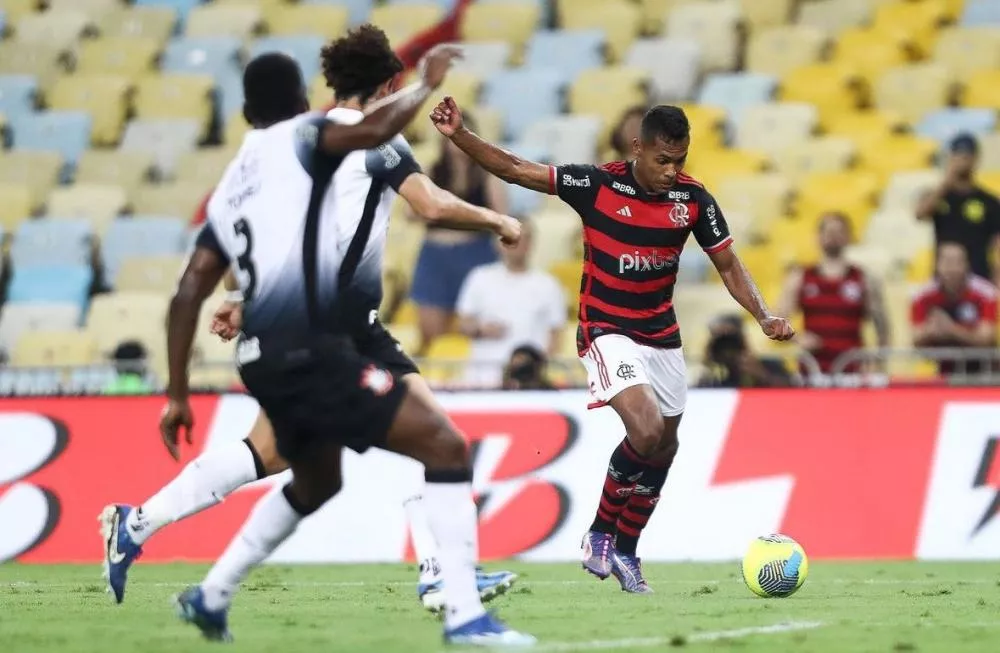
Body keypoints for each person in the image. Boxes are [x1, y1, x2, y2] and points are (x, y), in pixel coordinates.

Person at [99, 39, 524, 628]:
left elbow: (247, 250)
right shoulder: (352, 135)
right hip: (330, 328)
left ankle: (145, 529)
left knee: (294, 458)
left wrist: (245, 299)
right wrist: (497, 216)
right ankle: (450, 593)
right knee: (431, 442)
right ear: (384, 86)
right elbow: (427, 204)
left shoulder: (260, 163)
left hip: (303, 325)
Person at [430, 99, 794, 593]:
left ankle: (626, 549)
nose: (671, 171)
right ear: (638, 147)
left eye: (679, 161)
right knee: (644, 429)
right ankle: (600, 533)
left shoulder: (694, 201)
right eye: (662, 160)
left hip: (661, 335)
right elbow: (516, 169)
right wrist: (460, 135)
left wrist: (764, 314)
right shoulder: (596, 184)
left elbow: (728, 266)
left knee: (664, 447)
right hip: (607, 329)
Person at [410, 112, 508, 355]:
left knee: (480, 325)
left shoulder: (486, 176)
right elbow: (411, 214)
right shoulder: (433, 171)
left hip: (475, 252)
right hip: (435, 254)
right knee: (431, 332)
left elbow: (502, 219)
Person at [455, 219, 566, 386]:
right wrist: (480, 329)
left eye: (525, 238)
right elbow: (462, 324)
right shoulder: (479, 278)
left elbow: (555, 337)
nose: (519, 244)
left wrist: (533, 368)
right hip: (482, 380)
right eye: (512, 237)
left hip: (529, 384)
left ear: (532, 243)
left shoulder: (548, 285)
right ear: (498, 243)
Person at [777, 212, 890, 374]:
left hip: (853, 368)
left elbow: (881, 323)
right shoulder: (801, 277)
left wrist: (879, 361)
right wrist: (798, 338)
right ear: (818, 237)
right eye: (829, 232)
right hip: (813, 369)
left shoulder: (863, 278)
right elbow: (778, 320)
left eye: (839, 232)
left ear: (848, 237)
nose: (833, 237)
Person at [916, 133, 1000, 287]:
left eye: (967, 156)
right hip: (943, 280)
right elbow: (920, 214)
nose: (962, 161)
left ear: (976, 159)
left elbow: (997, 243)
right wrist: (947, 180)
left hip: (979, 278)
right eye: (957, 155)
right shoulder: (938, 196)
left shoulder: (990, 201)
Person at [911, 241, 998, 375]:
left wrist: (950, 328)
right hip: (939, 371)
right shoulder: (922, 296)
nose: (952, 268)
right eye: (946, 262)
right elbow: (916, 338)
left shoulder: (986, 294)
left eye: (957, 262)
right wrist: (930, 330)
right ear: (936, 265)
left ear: (967, 264)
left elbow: (985, 338)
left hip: (982, 372)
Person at [696, 316, 792, 388]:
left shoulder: (770, 365)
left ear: (743, 337)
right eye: (720, 339)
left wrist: (761, 374)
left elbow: (793, 390)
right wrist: (707, 366)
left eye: (731, 338)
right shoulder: (711, 373)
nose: (727, 344)